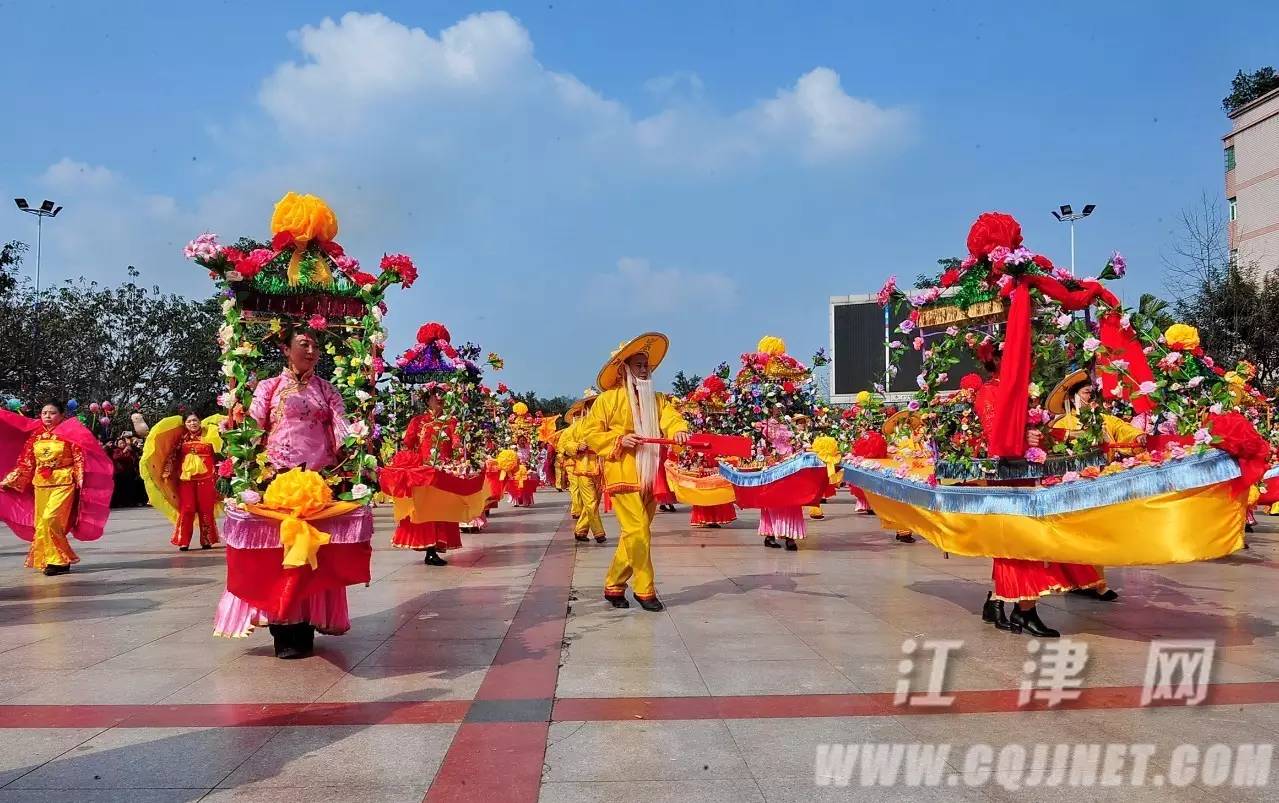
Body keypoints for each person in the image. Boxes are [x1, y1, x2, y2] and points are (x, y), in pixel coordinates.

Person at [223, 327, 352, 658]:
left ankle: (307, 622)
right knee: (280, 555)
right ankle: (282, 624)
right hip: (275, 480)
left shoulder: (327, 390)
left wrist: (354, 445)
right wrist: (241, 450)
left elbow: (341, 428)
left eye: (316, 345)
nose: (311, 350)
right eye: (303, 344)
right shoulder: (269, 387)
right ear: (285, 348)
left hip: (317, 481)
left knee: (313, 555)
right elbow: (253, 429)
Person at [973, 355, 1103, 638]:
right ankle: (1025, 610)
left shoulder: (1024, 391)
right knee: (1019, 545)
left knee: (1021, 545)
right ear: (995, 361)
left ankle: (999, 603)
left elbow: (1038, 428)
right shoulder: (988, 392)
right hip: (1007, 476)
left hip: (1029, 473)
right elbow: (995, 433)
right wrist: (1023, 439)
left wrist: (1060, 436)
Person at [579, 333, 689, 611]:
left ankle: (614, 585)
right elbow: (590, 432)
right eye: (638, 365)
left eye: (646, 365)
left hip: (651, 472)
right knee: (638, 530)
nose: (644, 369)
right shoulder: (608, 400)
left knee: (634, 533)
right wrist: (618, 439)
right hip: (622, 471)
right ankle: (645, 590)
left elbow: (672, 419)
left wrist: (679, 432)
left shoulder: (658, 399)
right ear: (624, 369)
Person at [1, 403, 88, 575]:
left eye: (52, 413)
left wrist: (82, 482)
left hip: (64, 482)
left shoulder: (70, 434)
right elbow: (26, 463)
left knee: (50, 518)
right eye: (44, 413)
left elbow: (79, 459)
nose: (47, 416)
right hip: (41, 484)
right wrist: (8, 481)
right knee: (41, 523)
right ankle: (53, 560)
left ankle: (59, 560)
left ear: (62, 415)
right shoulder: (36, 436)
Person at [392, 387, 463, 566]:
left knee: (442, 510)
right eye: (435, 396)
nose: (439, 399)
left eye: (441, 396)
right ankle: (430, 550)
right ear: (427, 399)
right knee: (427, 511)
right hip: (423, 473)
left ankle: (437, 546)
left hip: (444, 471)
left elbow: (456, 441)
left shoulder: (451, 421)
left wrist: (458, 446)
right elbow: (408, 443)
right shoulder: (418, 421)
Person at [163, 413, 221, 551]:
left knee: (206, 509)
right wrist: (167, 471)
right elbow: (172, 456)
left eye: (195, 420)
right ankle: (183, 541)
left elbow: (217, 455)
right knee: (187, 509)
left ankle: (207, 539)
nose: (192, 423)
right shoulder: (181, 439)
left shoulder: (209, 436)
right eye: (189, 421)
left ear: (200, 422)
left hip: (207, 479)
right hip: (186, 480)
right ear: (185, 424)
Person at [559, 393, 606, 543]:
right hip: (583, 467)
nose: (594, 407)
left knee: (594, 502)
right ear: (586, 407)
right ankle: (599, 533)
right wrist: (577, 446)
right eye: (591, 405)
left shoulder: (605, 424)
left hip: (600, 467)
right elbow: (564, 445)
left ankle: (580, 531)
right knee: (591, 502)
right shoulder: (576, 427)